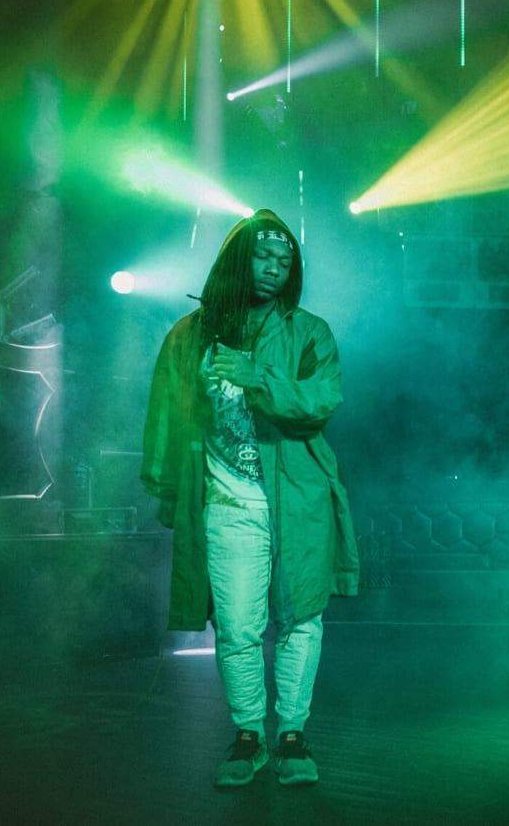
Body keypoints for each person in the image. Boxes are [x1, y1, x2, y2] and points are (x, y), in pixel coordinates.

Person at [141, 209, 359, 789]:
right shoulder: (191, 335)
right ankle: (247, 736)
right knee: (237, 626)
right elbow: (166, 410)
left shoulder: (309, 331)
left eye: (284, 261)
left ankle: (292, 735)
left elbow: (320, 403)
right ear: (239, 257)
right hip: (228, 506)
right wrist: (168, 489)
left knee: (300, 619)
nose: (273, 268)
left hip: (299, 503)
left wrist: (256, 375)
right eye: (263, 256)